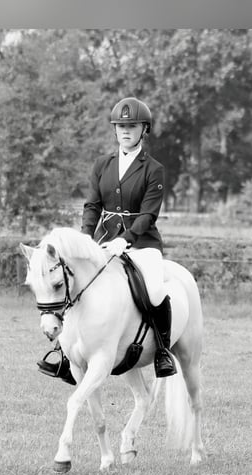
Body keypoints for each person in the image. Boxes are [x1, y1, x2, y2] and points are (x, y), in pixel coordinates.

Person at [80, 96, 176, 378]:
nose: (125, 130)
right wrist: (86, 236)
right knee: (75, 281)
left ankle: (162, 351)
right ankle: (65, 352)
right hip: (103, 239)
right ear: (114, 129)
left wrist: (127, 238)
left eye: (132, 126)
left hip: (142, 242)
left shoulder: (153, 168)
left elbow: (148, 215)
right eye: (120, 126)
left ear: (143, 130)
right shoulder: (102, 164)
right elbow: (92, 205)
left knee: (156, 291)